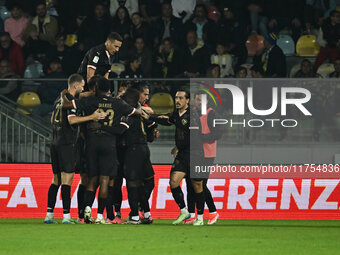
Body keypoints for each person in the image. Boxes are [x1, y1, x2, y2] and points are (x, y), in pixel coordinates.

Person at [71, 77, 139, 224]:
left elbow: (70, 103)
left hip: (91, 143)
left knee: (91, 179)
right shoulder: (117, 103)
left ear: (95, 87)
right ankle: (101, 216)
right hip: (109, 144)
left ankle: (87, 207)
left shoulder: (89, 101)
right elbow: (135, 112)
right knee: (105, 180)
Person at [44, 74, 106, 224]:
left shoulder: (59, 99)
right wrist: (92, 117)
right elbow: (72, 120)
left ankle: (49, 215)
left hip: (54, 141)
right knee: (67, 179)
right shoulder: (70, 101)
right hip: (67, 143)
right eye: (82, 85)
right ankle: (66, 216)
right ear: (76, 86)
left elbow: (52, 119)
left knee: (56, 179)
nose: (83, 88)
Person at [151, 89, 206, 226]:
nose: (177, 100)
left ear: (187, 100)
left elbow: (193, 137)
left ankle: (199, 217)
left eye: (181, 98)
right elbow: (167, 120)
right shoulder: (177, 114)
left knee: (197, 185)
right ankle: (184, 211)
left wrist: (178, 146)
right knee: (173, 182)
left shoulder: (193, 115)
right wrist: (150, 117)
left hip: (195, 153)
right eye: (176, 98)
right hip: (183, 154)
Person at [119, 87, 157, 224]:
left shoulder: (128, 114)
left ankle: (134, 216)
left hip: (133, 149)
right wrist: (152, 132)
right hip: (144, 149)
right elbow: (152, 123)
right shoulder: (141, 113)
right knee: (142, 183)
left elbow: (120, 130)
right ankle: (147, 214)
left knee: (132, 183)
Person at [183, 92, 221, 225]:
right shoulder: (192, 113)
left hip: (207, 154)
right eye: (197, 99)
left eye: (202, 100)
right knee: (190, 184)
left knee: (201, 184)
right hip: (193, 153)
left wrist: (199, 138)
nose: (199, 102)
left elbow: (217, 134)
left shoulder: (211, 114)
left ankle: (213, 212)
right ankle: (192, 215)